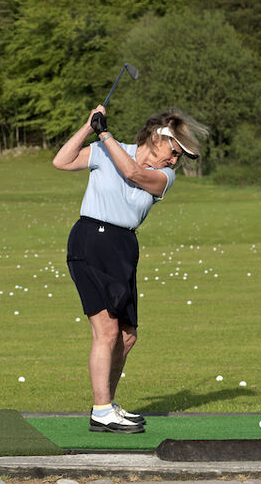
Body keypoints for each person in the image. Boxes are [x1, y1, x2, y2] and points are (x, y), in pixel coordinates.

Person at [52, 105, 206, 434]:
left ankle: (106, 405)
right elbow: (61, 161)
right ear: (156, 138)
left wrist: (104, 134)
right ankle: (102, 410)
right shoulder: (105, 150)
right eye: (174, 152)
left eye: (179, 157)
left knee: (126, 336)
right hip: (91, 241)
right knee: (106, 332)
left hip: (123, 249)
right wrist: (89, 127)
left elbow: (134, 174)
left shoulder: (166, 177)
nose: (174, 160)